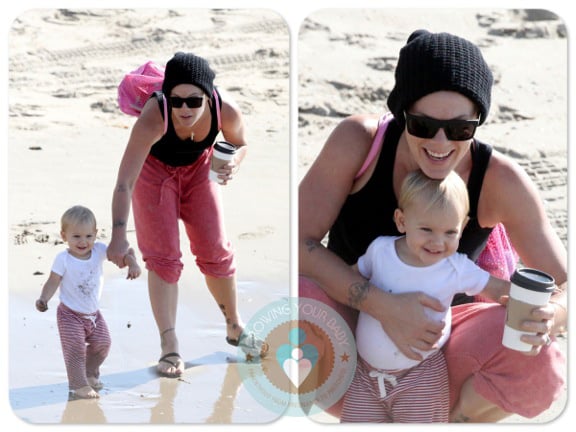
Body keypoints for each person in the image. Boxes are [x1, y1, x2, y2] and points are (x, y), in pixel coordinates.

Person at [299, 29, 567, 422]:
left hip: (442, 359)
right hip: (350, 349)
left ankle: (451, 419)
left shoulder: (500, 180)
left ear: (478, 123)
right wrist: (383, 306)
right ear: (401, 113)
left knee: (538, 357)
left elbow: (565, 283)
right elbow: (297, 242)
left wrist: (552, 316)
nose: (440, 142)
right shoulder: (358, 143)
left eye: (460, 130)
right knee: (296, 301)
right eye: (423, 125)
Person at [106, 52, 264, 378]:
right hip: (154, 175)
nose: (185, 109)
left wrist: (234, 161)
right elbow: (125, 182)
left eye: (194, 100)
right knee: (163, 258)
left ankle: (235, 327)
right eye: (176, 100)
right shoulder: (154, 117)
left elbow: (241, 142)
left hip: (199, 170)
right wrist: (119, 236)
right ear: (167, 97)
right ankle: (169, 345)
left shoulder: (225, 110)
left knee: (216, 251)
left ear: (208, 96)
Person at [341, 170, 510, 422]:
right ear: (402, 221)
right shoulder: (380, 251)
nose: (438, 242)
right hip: (365, 375)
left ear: (463, 227)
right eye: (426, 229)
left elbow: (498, 289)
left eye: (450, 232)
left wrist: (539, 304)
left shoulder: (455, 267)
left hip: (421, 377)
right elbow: (347, 279)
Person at [36, 205, 141, 399]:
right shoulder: (63, 259)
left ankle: (90, 373)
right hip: (69, 314)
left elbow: (122, 255)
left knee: (103, 344)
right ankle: (78, 385)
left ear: (95, 234)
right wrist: (44, 298)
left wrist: (132, 263)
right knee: (75, 348)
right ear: (64, 235)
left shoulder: (100, 250)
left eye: (88, 236)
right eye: (76, 236)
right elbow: (53, 281)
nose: (83, 242)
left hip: (93, 314)